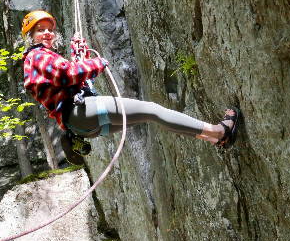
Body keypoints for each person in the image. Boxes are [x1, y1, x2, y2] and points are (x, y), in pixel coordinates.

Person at [21, 11, 241, 162]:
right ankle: (219, 130)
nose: (47, 33)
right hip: (82, 109)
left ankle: (212, 137)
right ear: (31, 36)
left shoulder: (38, 60)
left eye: (49, 29)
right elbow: (69, 73)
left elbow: (72, 78)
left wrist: (79, 55)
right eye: (40, 30)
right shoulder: (37, 55)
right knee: (153, 110)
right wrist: (98, 62)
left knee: (150, 116)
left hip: (82, 125)